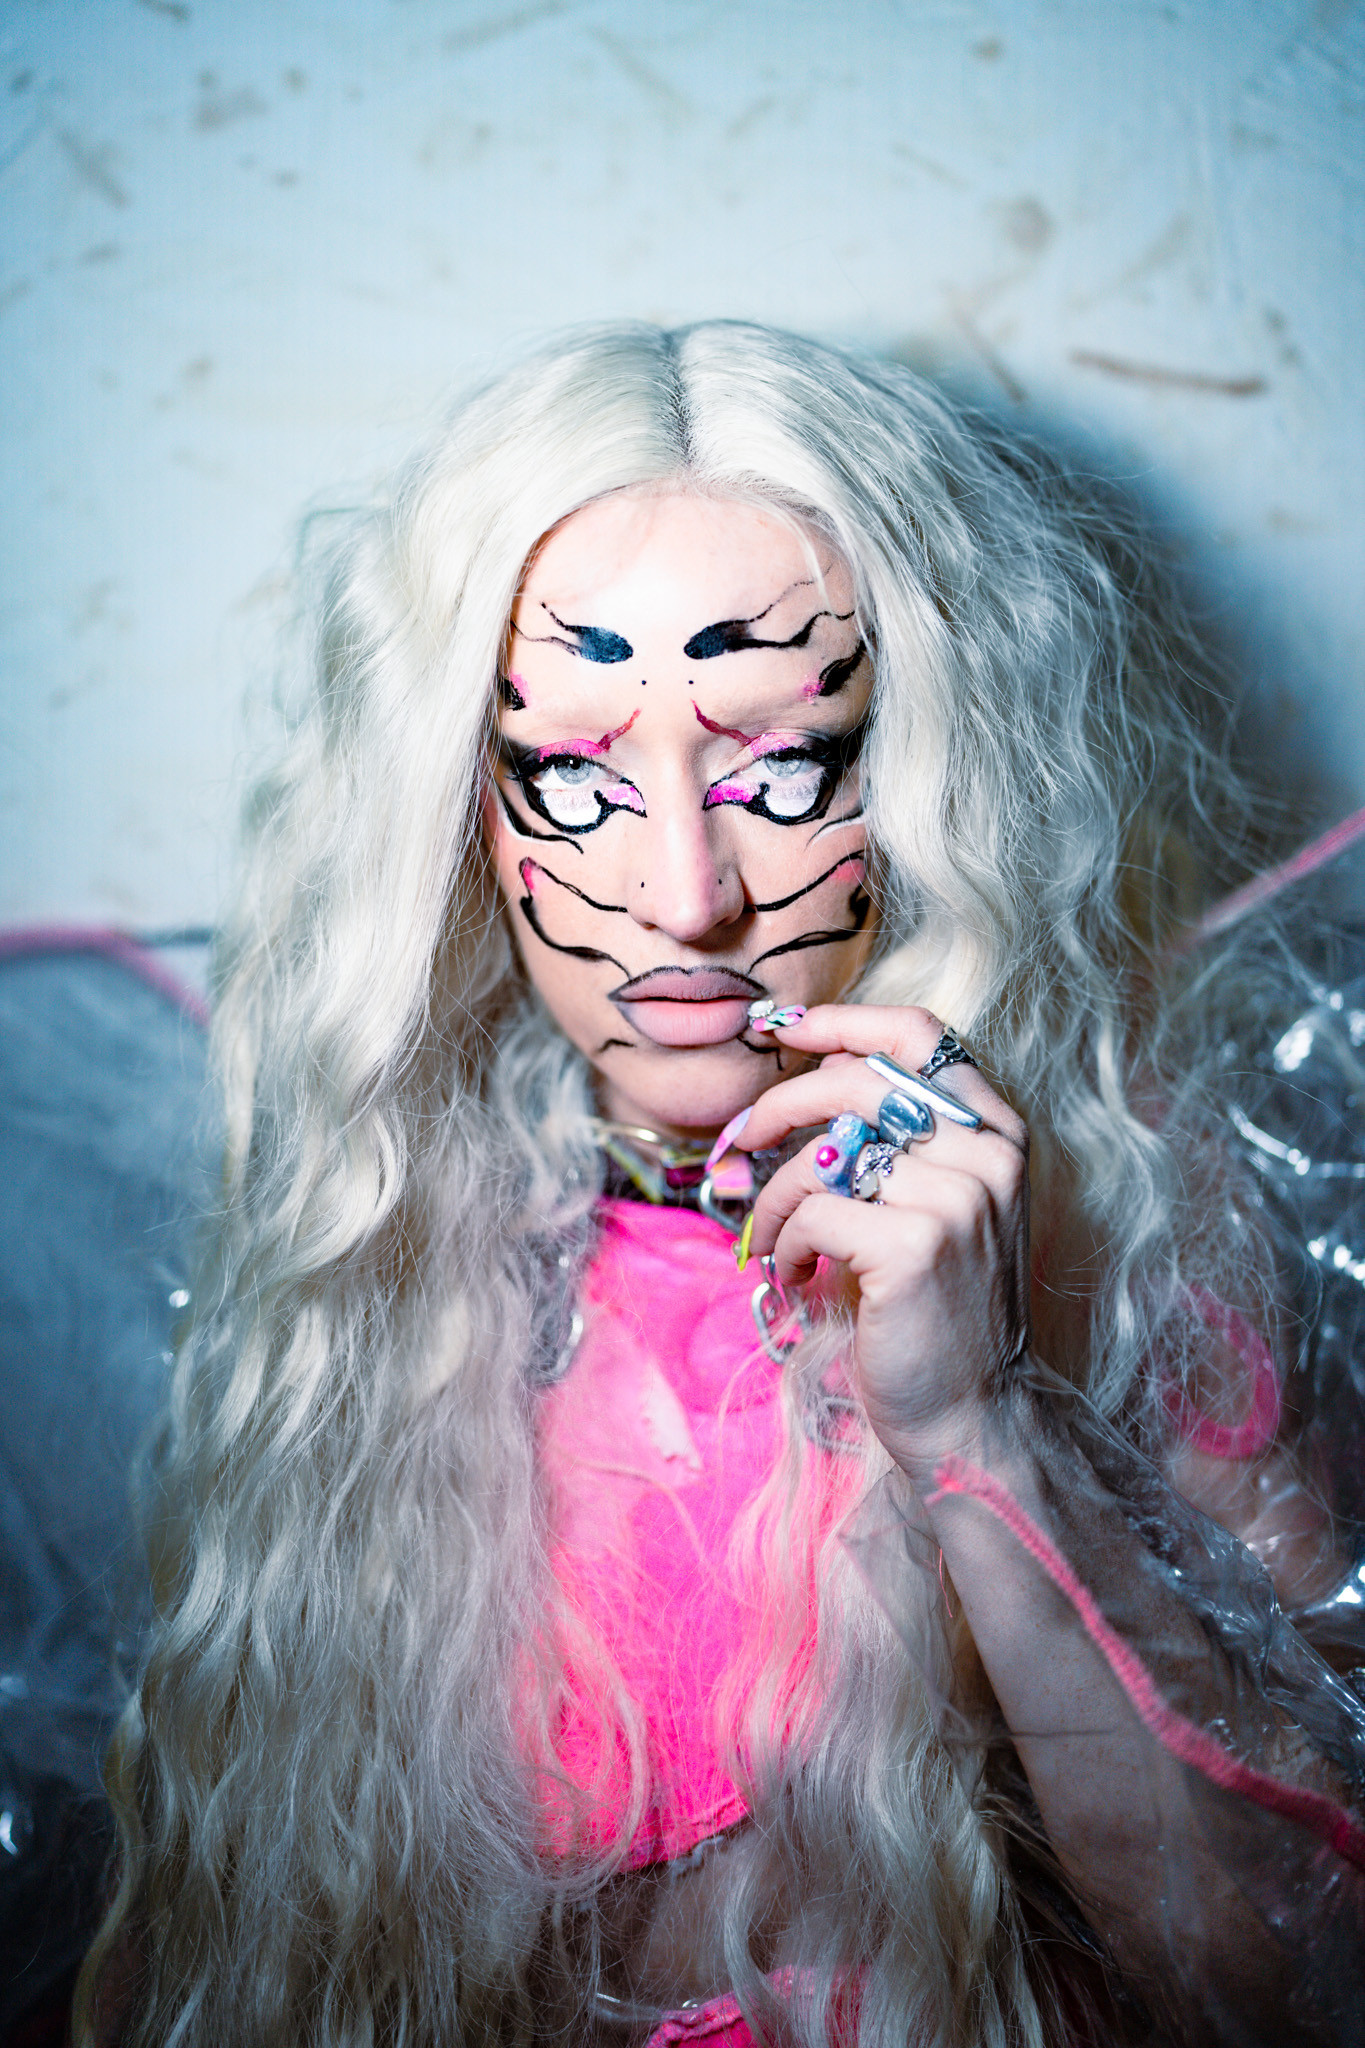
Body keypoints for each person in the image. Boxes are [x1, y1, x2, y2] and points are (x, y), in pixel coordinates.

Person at [77, 322, 1365, 2048]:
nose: (686, 897)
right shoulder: (371, 1248)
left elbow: (1293, 1983)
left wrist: (978, 1429)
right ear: (457, 809)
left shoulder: (1124, 1213)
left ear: (921, 775)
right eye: (575, 778)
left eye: (780, 768)